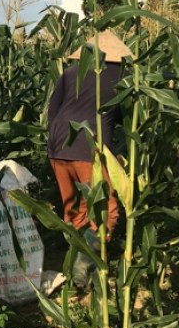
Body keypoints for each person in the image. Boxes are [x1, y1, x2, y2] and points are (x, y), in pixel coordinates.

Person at [47, 31, 129, 285]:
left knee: (75, 209)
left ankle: (73, 267)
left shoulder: (70, 73)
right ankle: (83, 268)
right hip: (91, 147)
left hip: (58, 143)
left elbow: (52, 111)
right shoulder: (124, 78)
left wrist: (58, 141)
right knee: (106, 211)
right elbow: (131, 119)